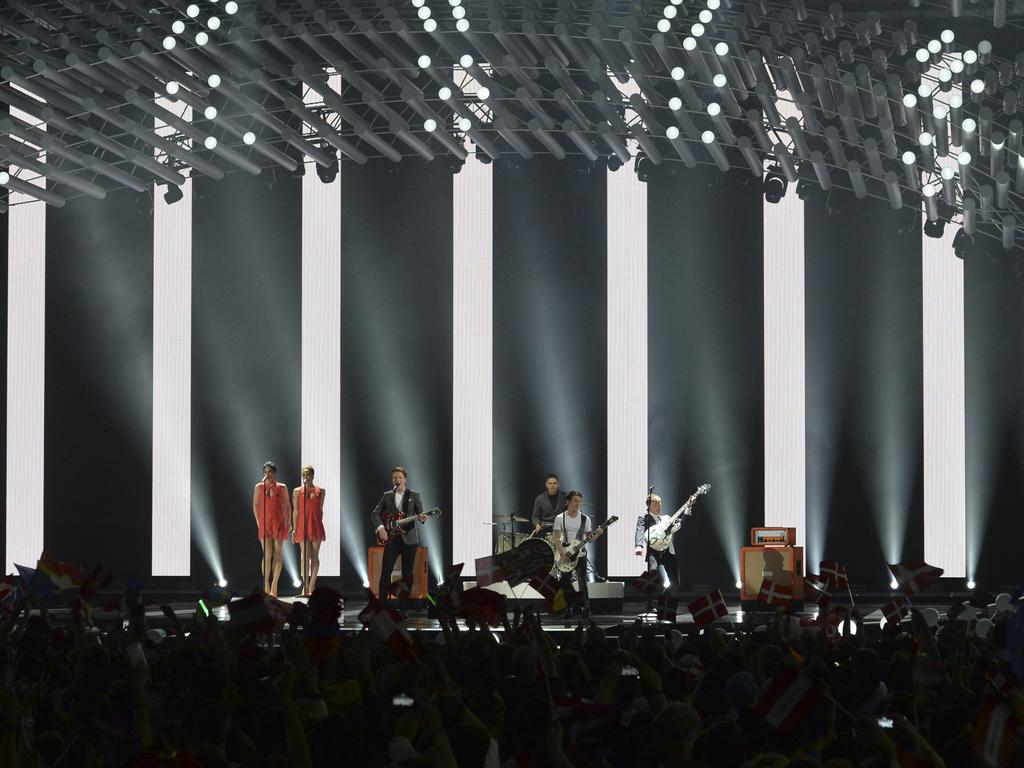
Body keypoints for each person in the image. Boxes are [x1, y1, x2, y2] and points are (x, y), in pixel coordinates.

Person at [371, 466, 427, 612]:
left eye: (400, 477)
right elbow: (375, 513)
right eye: (395, 478)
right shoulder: (387, 495)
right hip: (392, 539)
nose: (397, 480)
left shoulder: (413, 495)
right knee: (385, 572)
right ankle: (381, 607)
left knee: (407, 575)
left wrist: (422, 517)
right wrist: (381, 528)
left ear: (405, 479)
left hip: (409, 538)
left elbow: (420, 514)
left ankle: (403, 610)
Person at [552, 490, 603, 618]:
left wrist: (597, 534)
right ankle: (569, 608)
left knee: (582, 581)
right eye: (575, 501)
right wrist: (562, 554)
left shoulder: (585, 519)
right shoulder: (560, 518)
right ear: (568, 502)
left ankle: (586, 607)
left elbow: (589, 539)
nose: (578, 504)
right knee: (564, 581)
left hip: (580, 553)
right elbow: (556, 538)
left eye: (580, 502)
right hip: (565, 552)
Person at [635, 492, 687, 597]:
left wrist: (688, 507)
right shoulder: (644, 518)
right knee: (652, 575)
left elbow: (681, 522)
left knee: (675, 582)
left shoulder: (666, 518)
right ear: (648, 506)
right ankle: (650, 604)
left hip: (668, 551)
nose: (658, 508)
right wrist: (638, 546)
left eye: (659, 505)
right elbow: (639, 531)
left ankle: (661, 601)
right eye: (655, 505)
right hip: (653, 552)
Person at [252, 461, 290, 597]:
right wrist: (258, 521)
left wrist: (289, 522)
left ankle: (274, 584)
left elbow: (287, 506)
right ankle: (266, 585)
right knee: (267, 555)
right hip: (265, 523)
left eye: (270, 472)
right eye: (265, 472)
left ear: (274, 473)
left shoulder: (282, 487)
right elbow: (255, 505)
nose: (267, 474)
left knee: (278, 553)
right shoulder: (259, 486)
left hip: (279, 522)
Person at [292, 465, 326, 597]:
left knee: (314, 557)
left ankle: (312, 586)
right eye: (303, 475)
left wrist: (318, 523)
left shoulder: (321, 491)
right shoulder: (297, 491)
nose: (305, 477)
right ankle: (305, 587)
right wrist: (295, 528)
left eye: (308, 475)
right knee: (304, 557)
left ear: (312, 475)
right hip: (302, 526)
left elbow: (320, 509)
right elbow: (295, 512)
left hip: (316, 525)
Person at [531, 473, 566, 538]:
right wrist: (537, 525)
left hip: (561, 529)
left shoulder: (565, 497)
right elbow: (535, 516)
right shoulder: (539, 499)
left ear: (558, 485)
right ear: (546, 485)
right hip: (545, 529)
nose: (552, 485)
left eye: (554, 483)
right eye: (550, 483)